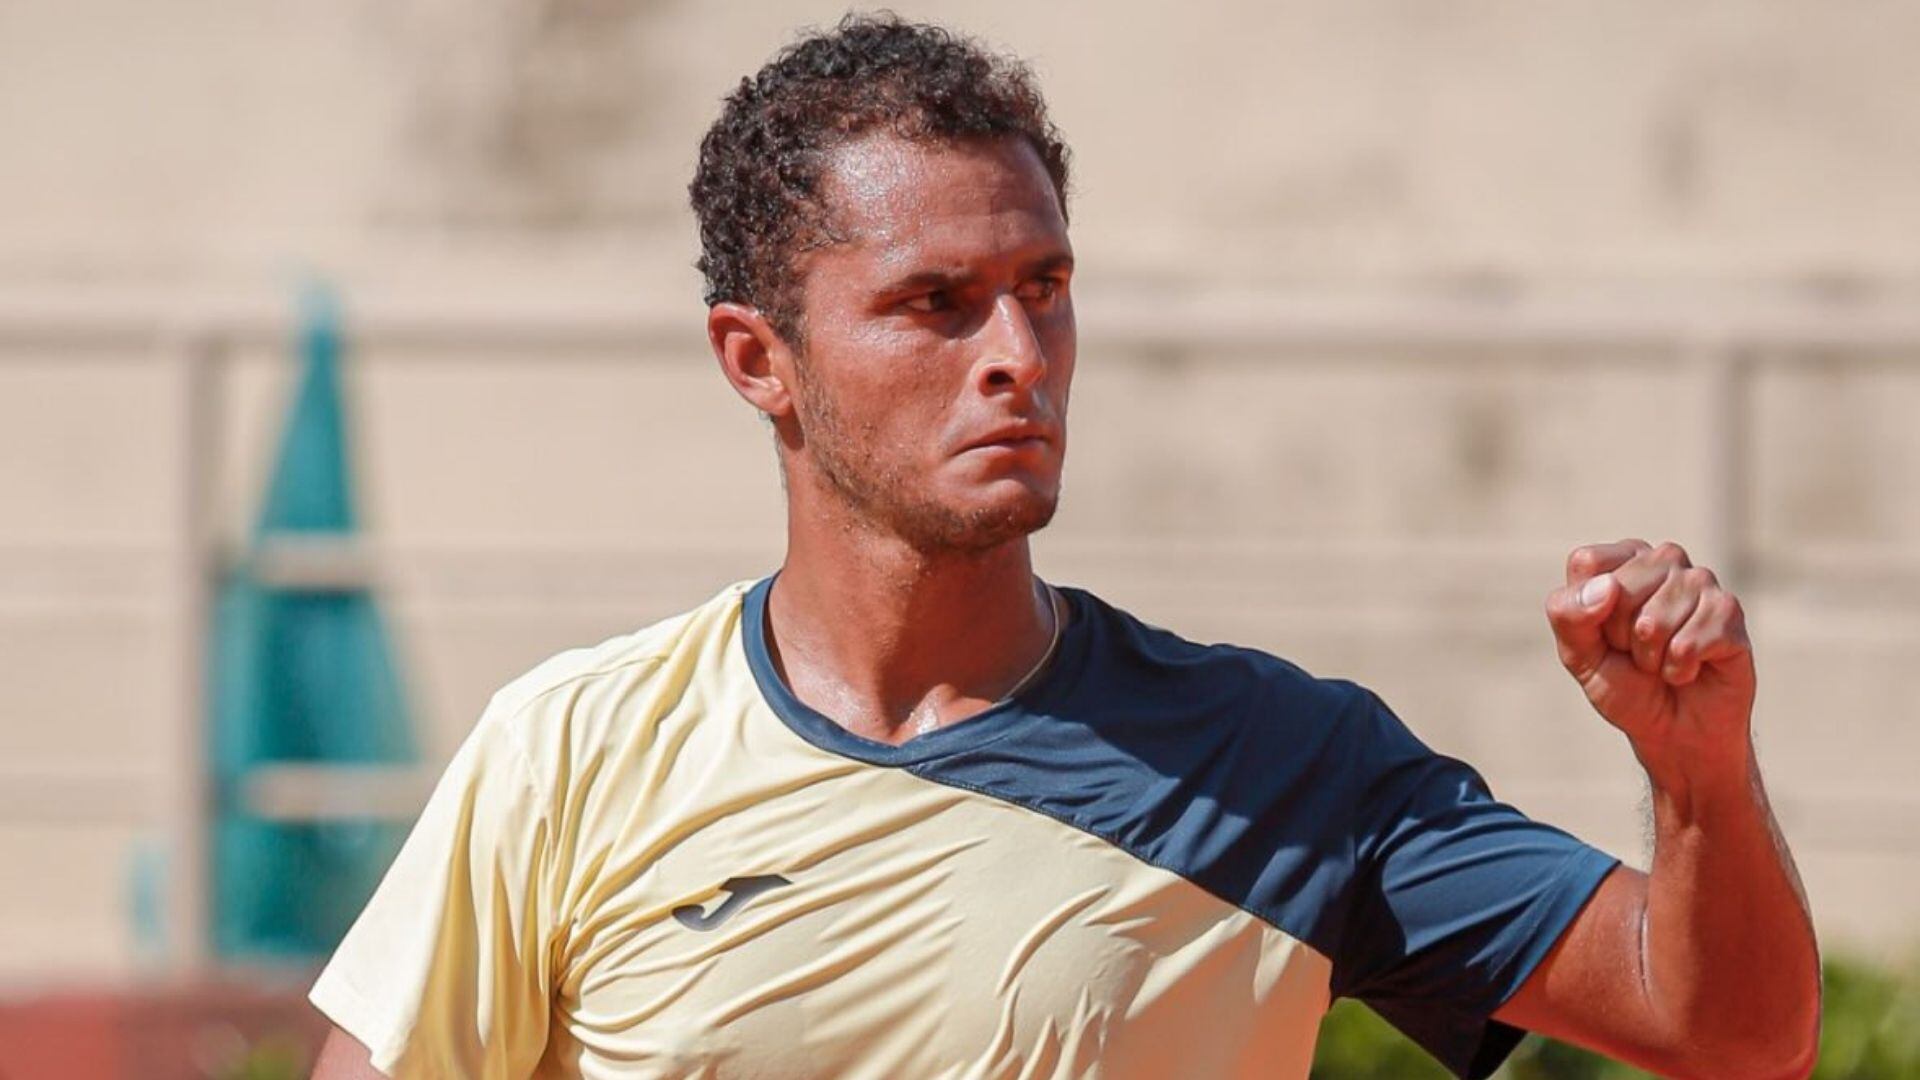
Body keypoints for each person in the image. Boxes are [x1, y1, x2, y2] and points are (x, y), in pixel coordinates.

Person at [310, 15, 1820, 1079]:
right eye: (936, 302)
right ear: (757, 359)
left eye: (1047, 286)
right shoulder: (570, 752)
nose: (1018, 352)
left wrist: (1699, 774)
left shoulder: (1279, 763)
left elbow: (1733, 1036)